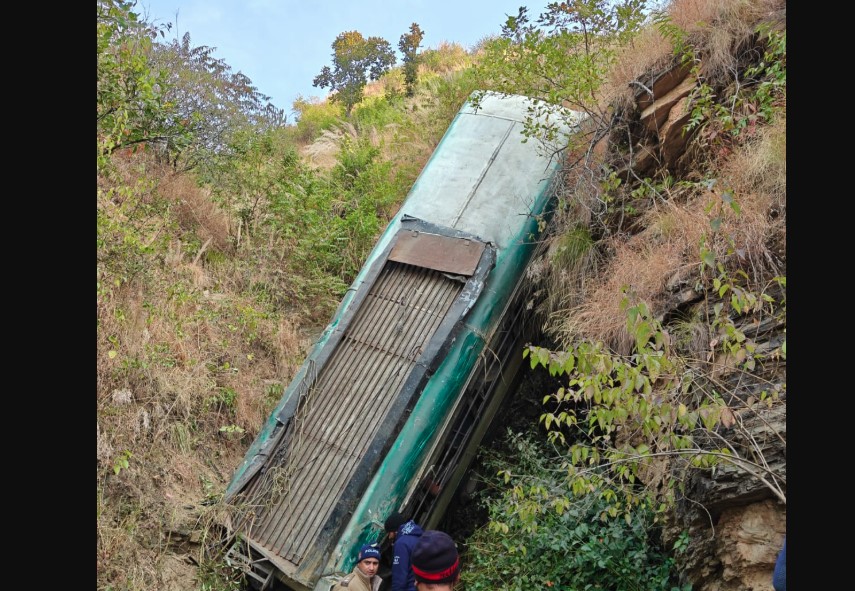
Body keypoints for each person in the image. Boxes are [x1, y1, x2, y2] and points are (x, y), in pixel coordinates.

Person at [384, 511, 424, 591]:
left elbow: (399, 577)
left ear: (394, 530)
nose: (389, 537)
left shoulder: (401, 544)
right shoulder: (418, 537)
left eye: (389, 532)